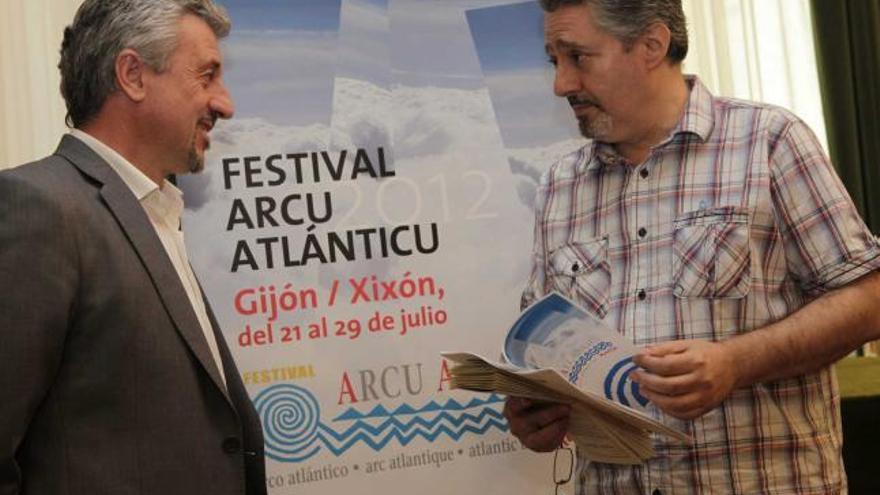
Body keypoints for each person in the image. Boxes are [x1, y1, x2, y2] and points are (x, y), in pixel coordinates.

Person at [503, 0, 880, 493]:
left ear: (652, 45)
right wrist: (537, 409)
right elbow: (544, 348)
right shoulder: (559, 186)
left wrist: (735, 363)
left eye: (578, 57)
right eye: (555, 60)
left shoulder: (769, 142)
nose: (562, 84)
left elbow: (868, 299)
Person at [0, 1, 267, 494]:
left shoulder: (154, 212)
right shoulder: (37, 209)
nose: (225, 104)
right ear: (133, 75)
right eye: (206, 76)